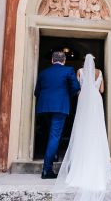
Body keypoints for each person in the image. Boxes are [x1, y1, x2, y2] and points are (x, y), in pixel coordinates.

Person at [52, 54, 111, 201]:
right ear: (94, 63)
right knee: (96, 129)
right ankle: (96, 161)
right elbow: (101, 90)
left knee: (82, 129)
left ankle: (81, 163)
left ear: (84, 63)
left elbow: (79, 89)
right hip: (96, 100)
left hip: (84, 100)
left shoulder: (79, 71)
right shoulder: (100, 72)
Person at [34, 51, 80, 179]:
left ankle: (53, 156)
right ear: (64, 60)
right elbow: (76, 87)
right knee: (54, 136)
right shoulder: (68, 70)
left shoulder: (43, 72)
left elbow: (36, 92)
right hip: (60, 107)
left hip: (44, 108)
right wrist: (65, 96)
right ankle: (47, 169)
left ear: (52, 60)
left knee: (48, 134)